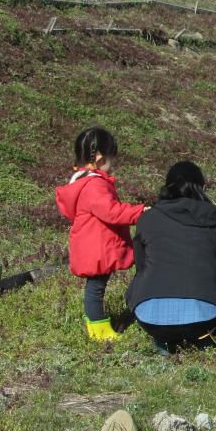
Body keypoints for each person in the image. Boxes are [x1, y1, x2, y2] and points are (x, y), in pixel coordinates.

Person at [126, 161, 216, 354]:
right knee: (205, 329)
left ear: (167, 187)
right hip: (208, 318)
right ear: (202, 188)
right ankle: (204, 341)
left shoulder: (147, 219)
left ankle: (164, 340)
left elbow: (141, 269)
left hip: (149, 316)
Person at [55, 127, 146, 341]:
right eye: (111, 159)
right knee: (95, 288)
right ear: (99, 158)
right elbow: (111, 212)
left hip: (92, 244)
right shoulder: (94, 185)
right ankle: (98, 330)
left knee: (96, 286)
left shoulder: (82, 181)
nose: (113, 165)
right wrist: (138, 212)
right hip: (96, 247)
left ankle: (97, 325)